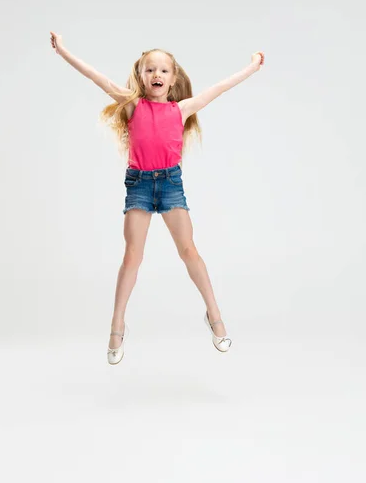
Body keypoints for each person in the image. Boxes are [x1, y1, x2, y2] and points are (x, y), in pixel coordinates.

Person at [49, 33, 265, 364]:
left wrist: (251, 67)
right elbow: (95, 76)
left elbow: (220, 88)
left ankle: (215, 315)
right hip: (138, 184)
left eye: (163, 70)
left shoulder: (182, 110)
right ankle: (117, 324)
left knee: (189, 250)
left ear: (173, 78)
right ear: (141, 76)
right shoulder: (132, 105)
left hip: (170, 184)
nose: (157, 75)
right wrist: (63, 51)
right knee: (132, 256)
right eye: (150, 70)